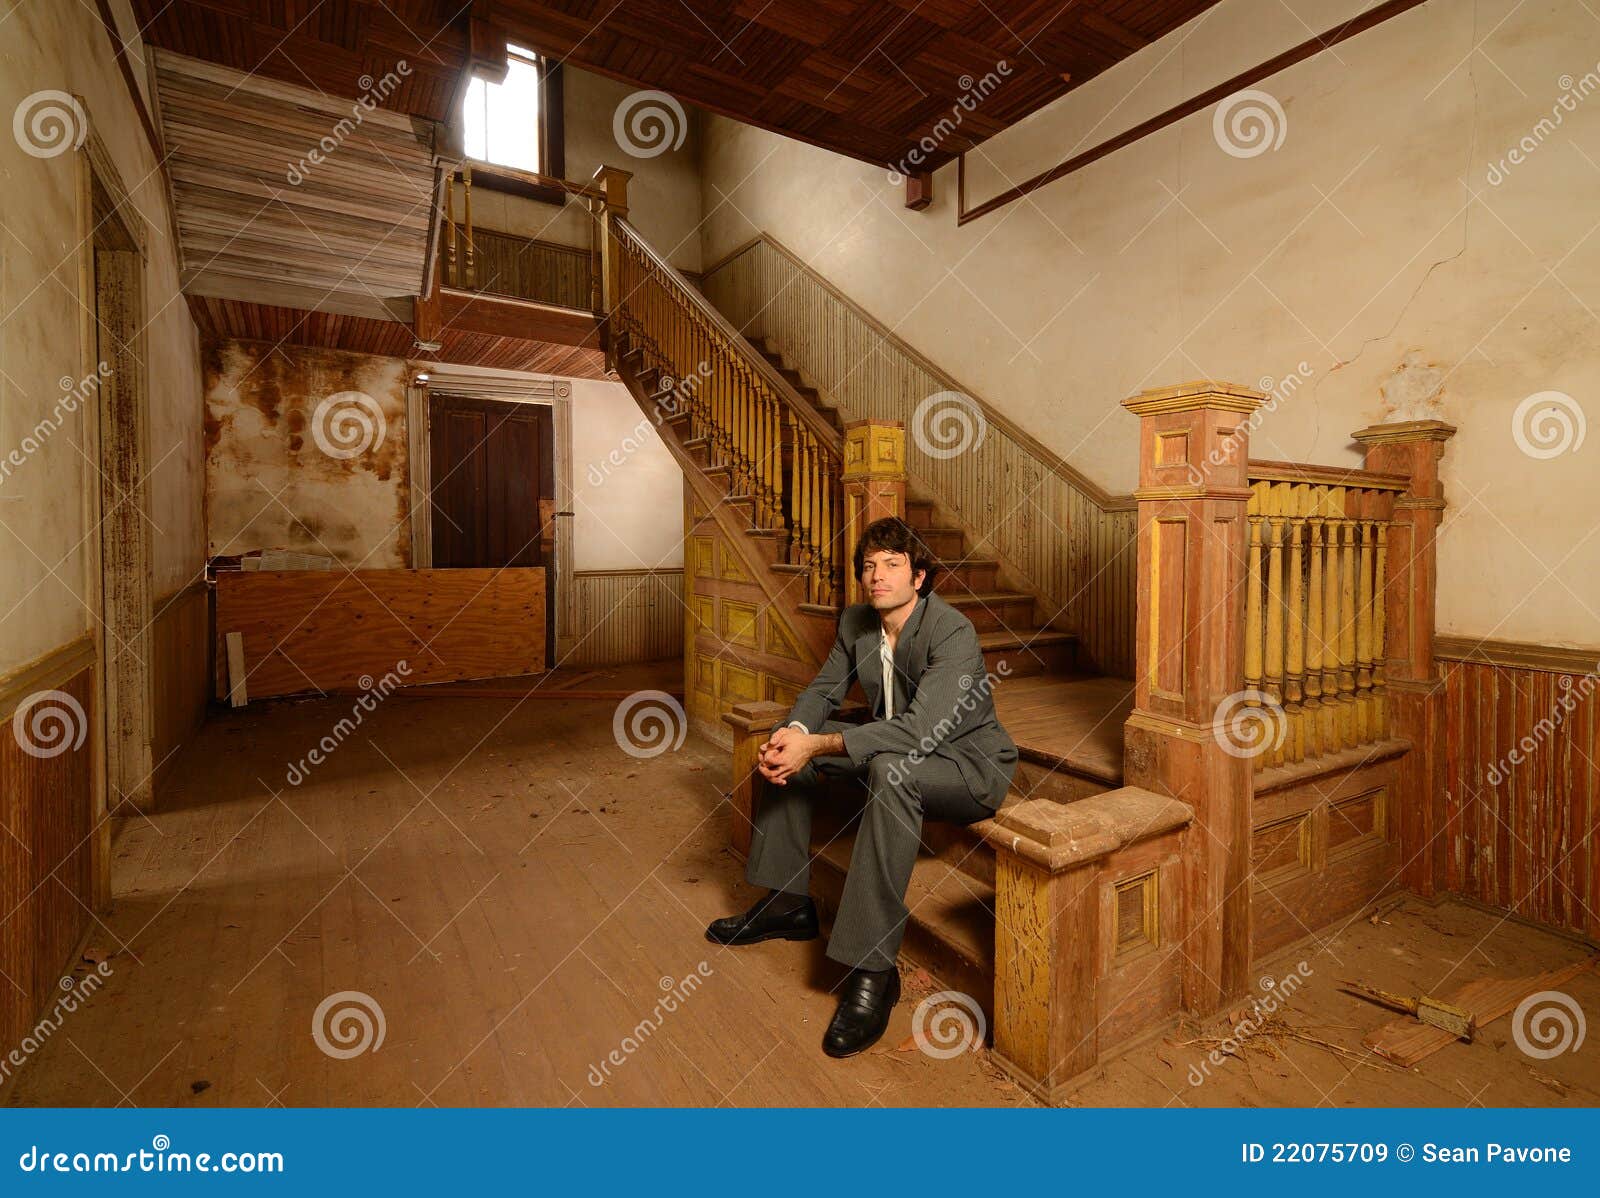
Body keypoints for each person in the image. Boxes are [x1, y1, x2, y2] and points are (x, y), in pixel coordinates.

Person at [705, 516, 1019, 1057]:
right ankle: (786, 904)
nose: (878, 576)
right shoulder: (855, 623)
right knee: (798, 752)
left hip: (964, 766)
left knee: (888, 771)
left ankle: (874, 969)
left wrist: (821, 744)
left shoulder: (951, 631)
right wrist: (794, 735)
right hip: (891, 751)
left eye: (893, 565)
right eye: (870, 566)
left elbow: (922, 731)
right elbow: (823, 690)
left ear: (918, 577)